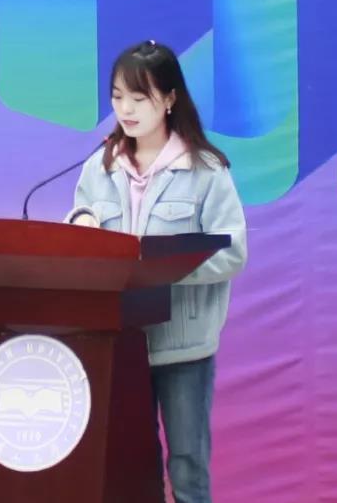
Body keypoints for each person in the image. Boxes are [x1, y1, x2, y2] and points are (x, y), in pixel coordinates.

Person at [65, 40, 247, 503]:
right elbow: (78, 232)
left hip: (183, 347)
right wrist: (79, 227)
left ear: (169, 99)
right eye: (117, 96)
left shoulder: (206, 170)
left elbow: (233, 253)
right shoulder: (99, 167)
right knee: (129, 467)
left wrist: (165, 268)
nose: (125, 109)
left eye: (138, 97)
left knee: (187, 465)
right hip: (118, 343)